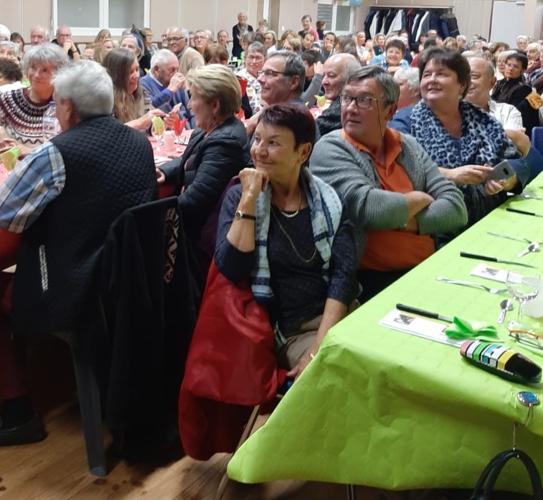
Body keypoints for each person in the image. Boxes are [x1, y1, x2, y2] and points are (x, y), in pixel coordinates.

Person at [0, 60, 158, 449]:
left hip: (80, 289)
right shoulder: (137, 141)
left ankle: (15, 413)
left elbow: (1, 213)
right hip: (130, 280)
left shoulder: (56, 153)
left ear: (66, 106)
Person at [215, 104, 357, 378]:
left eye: (273, 143)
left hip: (339, 316)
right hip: (291, 329)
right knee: (341, 373)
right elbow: (233, 268)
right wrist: (249, 197)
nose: (259, 151)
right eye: (257, 140)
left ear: (303, 152)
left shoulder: (331, 202)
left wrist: (318, 348)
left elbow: (343, 276)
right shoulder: (239, 196)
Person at [311, 66, 467, 301]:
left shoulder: (409, 146)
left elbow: (456, 209)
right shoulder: (331, 147)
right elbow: (368, 209)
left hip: (428, 269)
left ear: (390, 111)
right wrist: (417, 199)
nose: (351, 108)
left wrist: (403, 219)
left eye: (364, 100)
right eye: (347, 99)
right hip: (369, 283)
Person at [390, 47, 530, 225]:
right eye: (426, 75)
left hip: (489, 220)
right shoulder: (404, 122)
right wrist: (450, 175)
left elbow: (518, 163)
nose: (432, 80)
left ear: (462, 85)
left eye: (441, 74)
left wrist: (506, 180)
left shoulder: (483, 120)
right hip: (434, 226)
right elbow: (396, 167)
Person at [158, 65, 252, 283]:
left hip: (201, 240)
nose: (189, 105)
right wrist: (164, 171)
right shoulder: (210, 128)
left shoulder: (224, 141)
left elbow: (195, 201)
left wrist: (155, 215)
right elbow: (187, 160)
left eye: (193, 98)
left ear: (215, 105)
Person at [0, 43, 68, 156]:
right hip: (13, 169)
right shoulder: (9, 99)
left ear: (58, 74)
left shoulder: (65, 104)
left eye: (45, 70)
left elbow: (70, 145)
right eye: (33, 67)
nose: (36, 75)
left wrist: (28, 151)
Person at [465, 56, 528, 154]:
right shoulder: (443, 110)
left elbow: (512, 153)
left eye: (474, 76)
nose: (467, 81)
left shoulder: (508, 112)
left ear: (491, 83)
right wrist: (509, 135)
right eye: (463, 77)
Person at [103, 47, 166, 131]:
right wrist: (140, 122)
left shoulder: (143, 93)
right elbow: (110, 132)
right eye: (130, 72)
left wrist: (164, 123)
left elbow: (149, 129)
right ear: (117, 75)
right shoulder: (106, 100)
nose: (136, 75)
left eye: (137, 69)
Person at [140, 49, 194, 127]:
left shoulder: (178, 84)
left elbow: (191, 113)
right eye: (172, 70)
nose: (176, 74)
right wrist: (169, 91)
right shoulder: (142, 85)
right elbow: (150, 109)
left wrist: (195, 133)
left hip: (186, 132)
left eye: (177, 69)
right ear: (156, 69)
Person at [491, 50, 539, 137]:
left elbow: (512, 112)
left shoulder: (523, 88)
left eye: (516, 66)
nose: (510, 68)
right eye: (508, 65)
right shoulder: (500, 83)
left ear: (522, 71)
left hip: (513, 129)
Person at [314, 53, 361, 138]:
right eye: (323, 76)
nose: (324, 82)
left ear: (351, 78)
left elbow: (309, 133)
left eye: (331, 76)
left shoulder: (344, 106)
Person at [235, 42, 265, 115]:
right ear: (245, 59)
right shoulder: (238, 78)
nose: (254, 62)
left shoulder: (268, 76)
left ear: (265, 59)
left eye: (258, 58)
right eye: (251, 57)